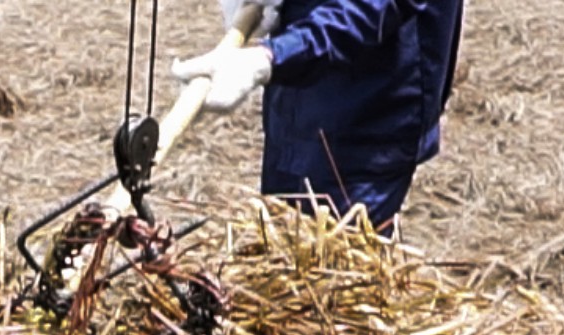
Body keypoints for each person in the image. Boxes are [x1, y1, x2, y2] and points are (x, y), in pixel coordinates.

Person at [170, 0, 465, 235]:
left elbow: (374, 6)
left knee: (334, 269)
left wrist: (270, 57)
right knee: (284, 246)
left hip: (368, 115)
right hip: (299, 91)